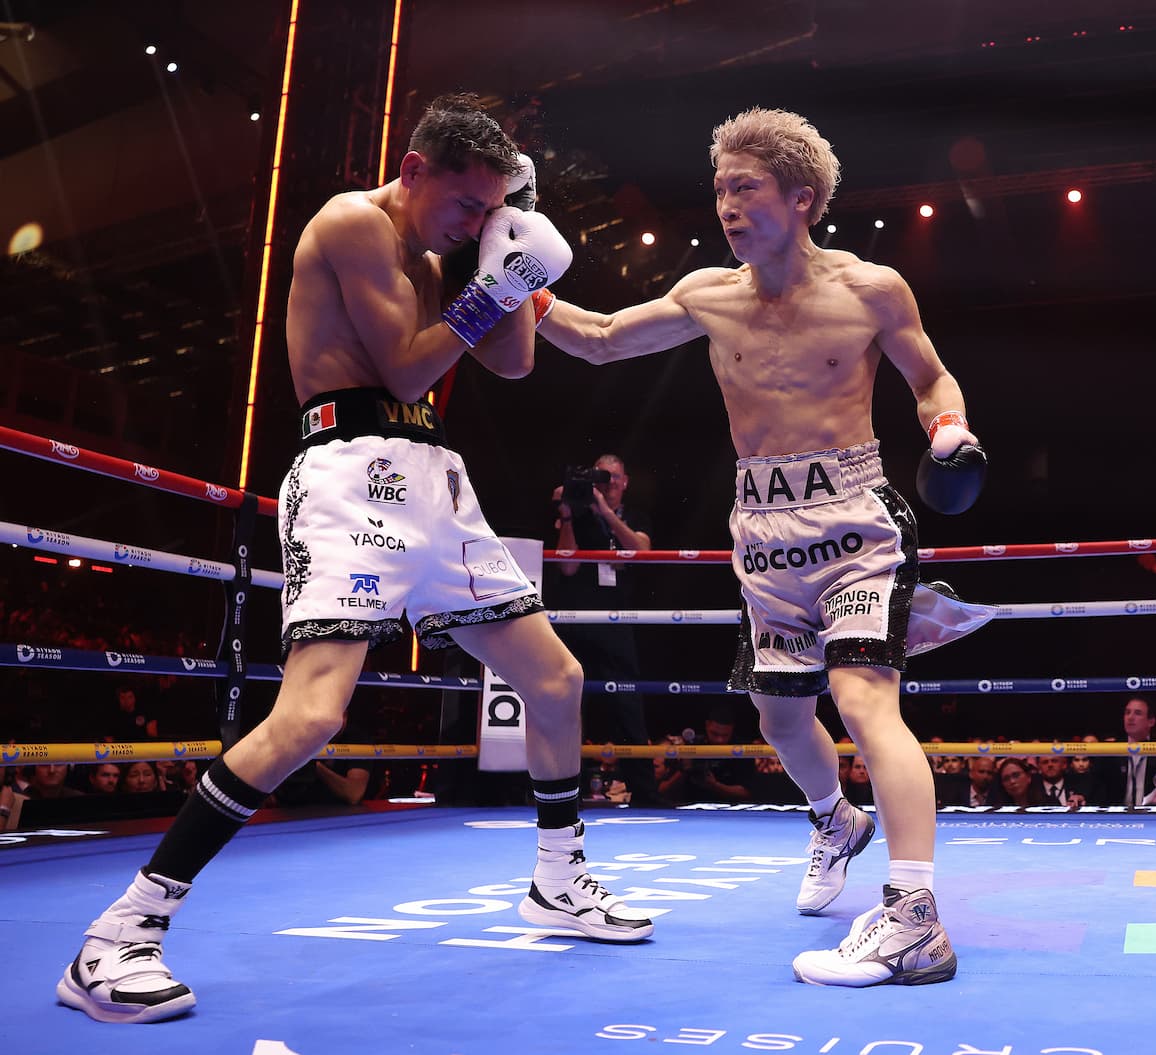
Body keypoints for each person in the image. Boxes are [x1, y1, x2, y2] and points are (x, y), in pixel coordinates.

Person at [57, 94, 651, 1027]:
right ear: (414, 171)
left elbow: (514, 364)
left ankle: (557, 879)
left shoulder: (444, 253)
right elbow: (408, 367)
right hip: (350, 474)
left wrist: (508, 257)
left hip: (436, 478)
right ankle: (120, 931)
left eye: (490, 209)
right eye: (466, 204)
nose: (472, 222)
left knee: (556, 679)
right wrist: (491, 284)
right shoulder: (350, 223)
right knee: (311, 715)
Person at [537, 106, 994, 986]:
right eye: (720, 189)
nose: (727, 206)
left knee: (863, 699)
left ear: (803, 197)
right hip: (764, 533)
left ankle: (913, 917)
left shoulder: (871, 288)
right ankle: (837, 819)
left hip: (856, 521)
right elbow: (597, 339)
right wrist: (516, 288)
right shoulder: (708, 295)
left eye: (745, 188)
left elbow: (930, 376)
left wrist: (948, 428)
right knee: (779, 716)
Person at [546, 454, 656, 804]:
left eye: (614, 477)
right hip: (577, 620)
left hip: (618, 621)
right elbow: (566, 567)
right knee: (571, 704)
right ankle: (567, 792)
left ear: (625, 481)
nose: (608, 483)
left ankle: (646, 793)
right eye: (601, 477)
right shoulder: (577, 514)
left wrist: (606, 513)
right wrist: (567, 515)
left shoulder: (634, 517)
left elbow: (642, 551)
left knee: (628, 705)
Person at [1102, 696, 1156, 806]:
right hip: (1117, 813)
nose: (1130, 717)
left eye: (1137, 713)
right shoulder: (1111, 750)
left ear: (1151, 721)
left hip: (1152, 813)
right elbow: (1097, 783)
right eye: (1127, 712)